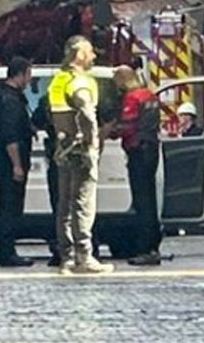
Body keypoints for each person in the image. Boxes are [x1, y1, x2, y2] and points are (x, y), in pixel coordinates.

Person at [48, 35, 112, 274]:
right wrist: (92, 141)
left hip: (63, 149)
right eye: (91, 52)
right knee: (83, 203)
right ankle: (84, 256)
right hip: (80, 151)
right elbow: (86, 111)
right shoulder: (79, 81)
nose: (94, 56)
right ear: (80, 54)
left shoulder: (58, 80)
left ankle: (66, 257)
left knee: (64, 204)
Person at [111, 65, 163, 266]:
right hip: (151, 148)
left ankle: (145, 248)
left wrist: (108, 131)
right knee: (149, 199)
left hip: (138, 150)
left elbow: (128, 126)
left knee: (142, 201)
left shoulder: (132, 98)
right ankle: (152, 245)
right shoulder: (149, 95)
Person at [0, 57, 35, 267]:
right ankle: (7, 253)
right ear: (21, 73)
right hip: (9, 160)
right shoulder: (10, 100)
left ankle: (7, 250)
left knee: (9, 204)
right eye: (29, 74)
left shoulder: (3, 96)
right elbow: (10, 136)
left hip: (4, 158)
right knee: (10, 205)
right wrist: (17, 164)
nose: (30, 79)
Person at [30, 90, 62, 267]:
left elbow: (34, 123)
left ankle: (59, 248)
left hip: (57, 156)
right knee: (80, 204)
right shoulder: (85, 95)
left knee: (59, 204)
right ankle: (85, 248)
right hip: (77, 158)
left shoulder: (47, 99)